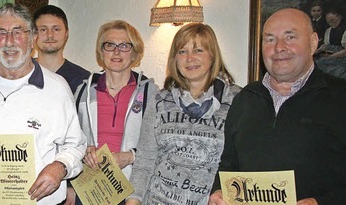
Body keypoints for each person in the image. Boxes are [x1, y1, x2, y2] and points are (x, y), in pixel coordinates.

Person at [0, 3, 86, 204]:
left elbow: (76, 144)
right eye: (1, 33)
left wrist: (59, 168)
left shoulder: (57, 87)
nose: (9, 41)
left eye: (17, 32)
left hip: (41, 200)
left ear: (32, 39)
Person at [209, 8, 346, 205]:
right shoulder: (245, 98)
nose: (279, 47)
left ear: (313, 42)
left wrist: (321, 202)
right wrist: (219, 191)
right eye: (270, 39)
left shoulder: (340, 97)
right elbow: (229, 163)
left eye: (290, 37)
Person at [126, 23, 240, 205]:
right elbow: (145, 160)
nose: (190, 58)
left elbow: (240, 163)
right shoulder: (160, 100)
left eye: (199, 50)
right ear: (174, 58)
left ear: (213, 55)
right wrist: (133, 201)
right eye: (182, 51)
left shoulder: (237, 100)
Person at [73, 20, 158, 205]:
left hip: (133, 189)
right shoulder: (82, 92)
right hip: (90, 188)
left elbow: (158, 144)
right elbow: (70, 139)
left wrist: (129, 156)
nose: (117, 52)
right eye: (110, 45)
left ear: (135, 52)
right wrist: (83, 150)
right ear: (101, 51)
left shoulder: (150, 93)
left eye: (125, 46)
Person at [33, 5, 90, 94]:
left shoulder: (83, 80)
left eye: (56, 29)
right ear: (33, 34)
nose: (50, 35)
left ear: (66, 34)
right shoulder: (20, 74)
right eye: (43, 30)